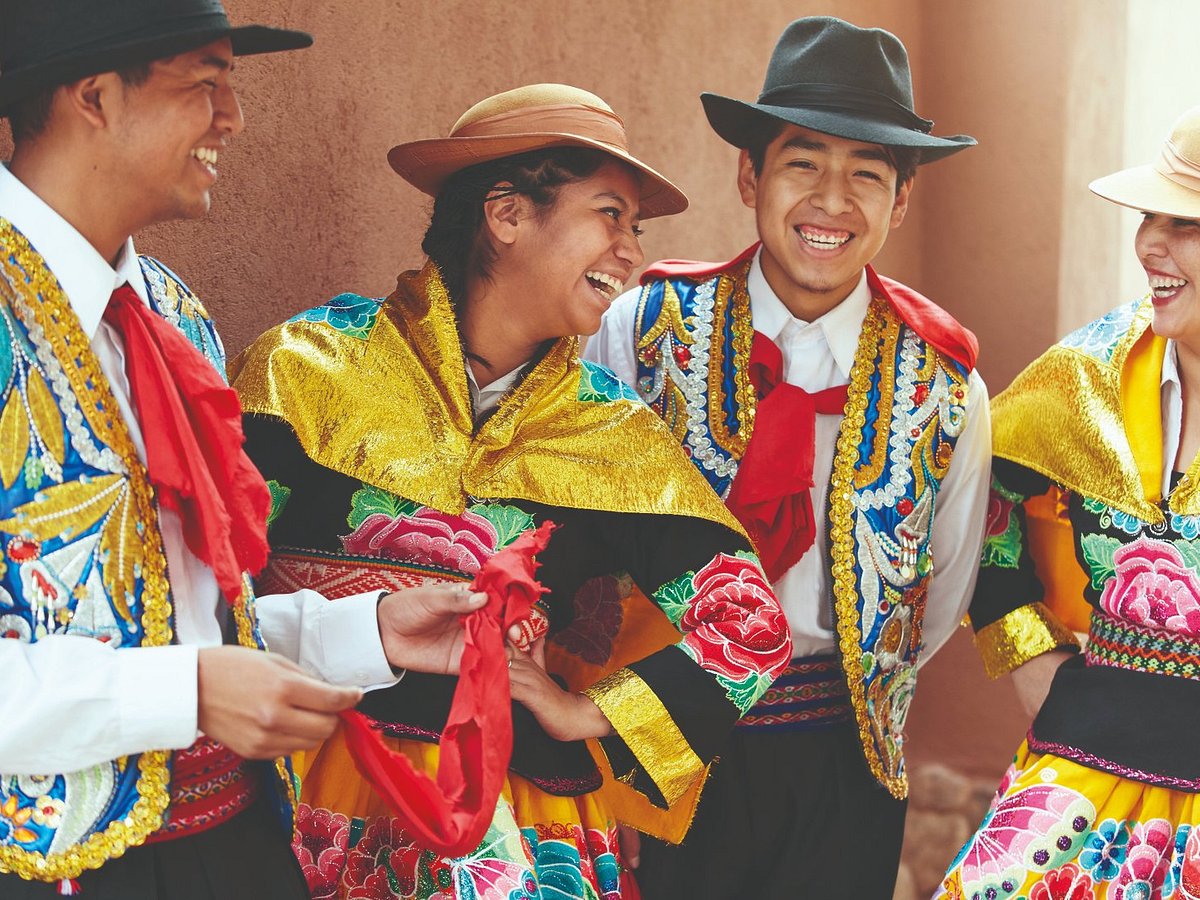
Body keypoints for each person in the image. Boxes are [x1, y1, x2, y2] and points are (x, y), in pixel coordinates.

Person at [230, 83, 793, 899]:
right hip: (306, 784)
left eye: (637, 228)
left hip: (512, 815)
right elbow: (205, 590)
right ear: (506, 214)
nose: (631, 251)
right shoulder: (305, 369)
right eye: (609, 214)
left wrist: (588, 713)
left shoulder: (614, 432)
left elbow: (749, 627)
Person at [0, 3, 499, 897]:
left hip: (228, 846)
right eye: (206, 83)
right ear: (93, 97)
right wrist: (185, 692)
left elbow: (191, 626)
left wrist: (367, 632)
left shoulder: (167, 314)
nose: (232, 117)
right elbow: (185, 668)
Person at [584, 16, 992, 897]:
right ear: (749, 173)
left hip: (841, 764)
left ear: (902, 201)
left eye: (867, 175)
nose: (832, 201)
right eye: (804, 162)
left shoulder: (945, 382)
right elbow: (582, 531)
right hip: (654, 740)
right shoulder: (644, 330)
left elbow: (944, 587)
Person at [938, 107, 1200, 900]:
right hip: (1084, 771)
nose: (1149, 242)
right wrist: (1024, 650)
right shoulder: (1085, 374)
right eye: (1148, 216)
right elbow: (974, 503)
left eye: (1184, 221)